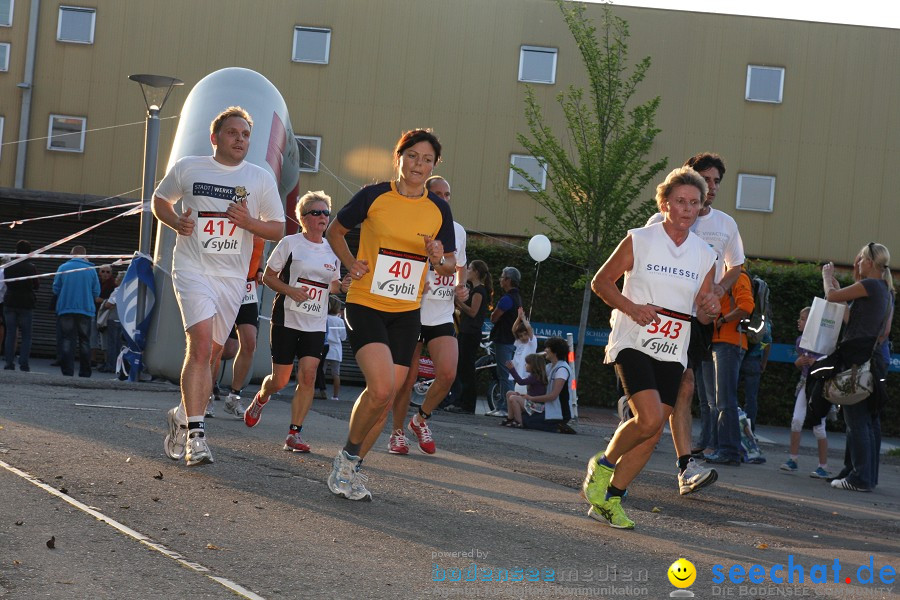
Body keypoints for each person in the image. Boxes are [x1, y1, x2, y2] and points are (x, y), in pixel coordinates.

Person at [583, 167, 719, 529]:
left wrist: (710, 309)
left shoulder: (706, 255)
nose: (687, 209)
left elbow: (704, 311)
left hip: (674, 347)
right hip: (634, 339)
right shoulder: (640, 239)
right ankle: (604, 465)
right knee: (648, 418)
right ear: (664, 203)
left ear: (701, 208)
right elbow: (602, 282)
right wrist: (632, 308)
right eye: (680, 201)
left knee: (653, 429)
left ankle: (610, 500)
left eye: (694, 203)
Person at [324, 129, 456, 500]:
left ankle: (352, 468)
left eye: (427, 160)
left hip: (406, 312)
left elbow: (449, 266)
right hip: (366, 303)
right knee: (381, 388)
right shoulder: (374, 195)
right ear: (398, 157)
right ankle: (347, 456)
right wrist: (351, 265)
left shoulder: (438, 209)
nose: (418, 165)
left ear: (434, 165)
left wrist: (436, 257)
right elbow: (335, 231)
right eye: (412, 156)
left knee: (384, 396)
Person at [152, 106, 285, 467]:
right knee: (198, 348)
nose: (240, 139)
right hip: (194, 269)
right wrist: (175, 220)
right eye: (232, 133)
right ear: (215, 137)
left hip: (232, 278)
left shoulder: (259, 179)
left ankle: (182, 415)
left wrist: (250, 222)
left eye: (245, 135)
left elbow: (278, 229)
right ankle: (197, 437)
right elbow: (159, 200)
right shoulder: (189, 167)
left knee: (212, 355)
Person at [365, 174, 467, 456]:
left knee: (447, 373)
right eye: (438, 194)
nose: (443, 200)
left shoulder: (457, 230)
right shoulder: (413, 223)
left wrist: (462, 287)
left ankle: (419, 419)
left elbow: (459, 265)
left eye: (447, 195)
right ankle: (397, 433)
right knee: (406, 379)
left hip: (442, 312)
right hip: (411, 310)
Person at [242, 191, 348, 452]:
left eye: (326, 213)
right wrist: (290, 290)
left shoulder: (332, 249)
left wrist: (343, 286)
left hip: (315, 321)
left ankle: (294, 434)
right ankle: (261, 398)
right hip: (287, 318)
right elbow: (268, 277)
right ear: (304, 218)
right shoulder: (290, 243)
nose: (323, 217)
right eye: (317, 213)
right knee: (279, 380)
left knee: (309, 375)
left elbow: (332, 286)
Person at [819, 243, 893, 492]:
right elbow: (856, 320)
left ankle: (859, 477)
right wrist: (842, 292)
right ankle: (863, 474)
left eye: (861, 259)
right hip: (872, 358)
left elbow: (830, 296)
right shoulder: (884, 289)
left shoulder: (870, 285)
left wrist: (827, 278)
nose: (858, 263)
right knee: (868, 420)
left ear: (870, 263)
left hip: (856, 357)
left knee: (857, 419)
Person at [704, 267, 754, 465]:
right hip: (723, 342)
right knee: (720, 401)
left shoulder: (739, 277)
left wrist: (723, 320)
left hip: (730, 342)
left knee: (725, 400)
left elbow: (747, 306)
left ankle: (728, 451)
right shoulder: (728, 279)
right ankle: (721, 448)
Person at [213, 235, 266, 418]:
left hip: (247, 287)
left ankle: (234, 396)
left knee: (249, 343)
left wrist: (259, 269)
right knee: (217, 346)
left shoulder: (258, 221)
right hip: (225, 283)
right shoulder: (229, 213)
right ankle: (206, 396)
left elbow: (260, 250)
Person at [780, 306, 832, 478]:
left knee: (819, 426)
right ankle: (792, 460)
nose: (798, 321)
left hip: (819, 386)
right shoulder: (800, 341)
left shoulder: (825, 342)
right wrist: (800, 361)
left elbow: (829, 363)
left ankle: (822, 466)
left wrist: (814, 362)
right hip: (805, 383)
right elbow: (799, 362)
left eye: (802, 319)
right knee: (796, 420)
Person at [447, 259, 493, 414]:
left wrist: (458, 302)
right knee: (462, 366)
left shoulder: (479, 291)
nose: (466, 270)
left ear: (476, 272)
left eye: (470, 268)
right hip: (466, 332)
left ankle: (467, 404)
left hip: (471, 333)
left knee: (467, 368)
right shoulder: (475, 289)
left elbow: (473, 312)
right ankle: (461, 401)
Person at [53, 246, 101, 377]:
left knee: (67, 339)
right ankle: (85, 371)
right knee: (85, 340)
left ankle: (67, 370)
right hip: (85, 310)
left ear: (71, 254)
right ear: (85, 255)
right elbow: (96, 291)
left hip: (66, 309)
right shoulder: (91, 270)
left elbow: (56, 289)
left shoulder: (62, 268)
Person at [489, 266, 523, 417]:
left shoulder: (507, 299)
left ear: (508, 280)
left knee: (504, 374)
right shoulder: (518, 298)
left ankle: (504, 407)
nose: (500, 280)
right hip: (512, 340)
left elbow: (493, 317)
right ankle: (504, 406)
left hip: (504, 340)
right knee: (507, 374)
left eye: (502, 277)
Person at [3, 240, 39, 372]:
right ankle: (24, 364)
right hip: (26, 303)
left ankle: (9, 362)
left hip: (10, 301)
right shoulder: (31, 267)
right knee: (26, 335)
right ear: (29, 252)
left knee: (10, 334)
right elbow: (36, 285)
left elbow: (7, 282)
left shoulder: (9, 265)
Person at [739, 317, 771, 431]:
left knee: (731, 394)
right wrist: (764, 362)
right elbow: (767, 343)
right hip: (754, 362)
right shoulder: (764, 323)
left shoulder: (744, 318)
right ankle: (749, 429)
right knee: (751, 398)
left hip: (739, 357)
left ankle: (733, 425)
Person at [503, 352, 548, 428]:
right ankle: (510, 418)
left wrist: (512, 369)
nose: (525, 365)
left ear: (533, 366)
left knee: (513, 398)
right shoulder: (534, 376)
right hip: (532, 402)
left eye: (527, 364)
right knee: (509, 393)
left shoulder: (535, 377)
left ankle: (519, 422)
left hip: (537, 406)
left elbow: (521, 382)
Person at [324, 296, 346, 401]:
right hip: (336, 350)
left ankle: (320, 391)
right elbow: (343, 337)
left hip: (324, 348)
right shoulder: (339, 321)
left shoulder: (324, 318)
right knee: (336, 374)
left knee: (320, 372)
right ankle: (335, 396)